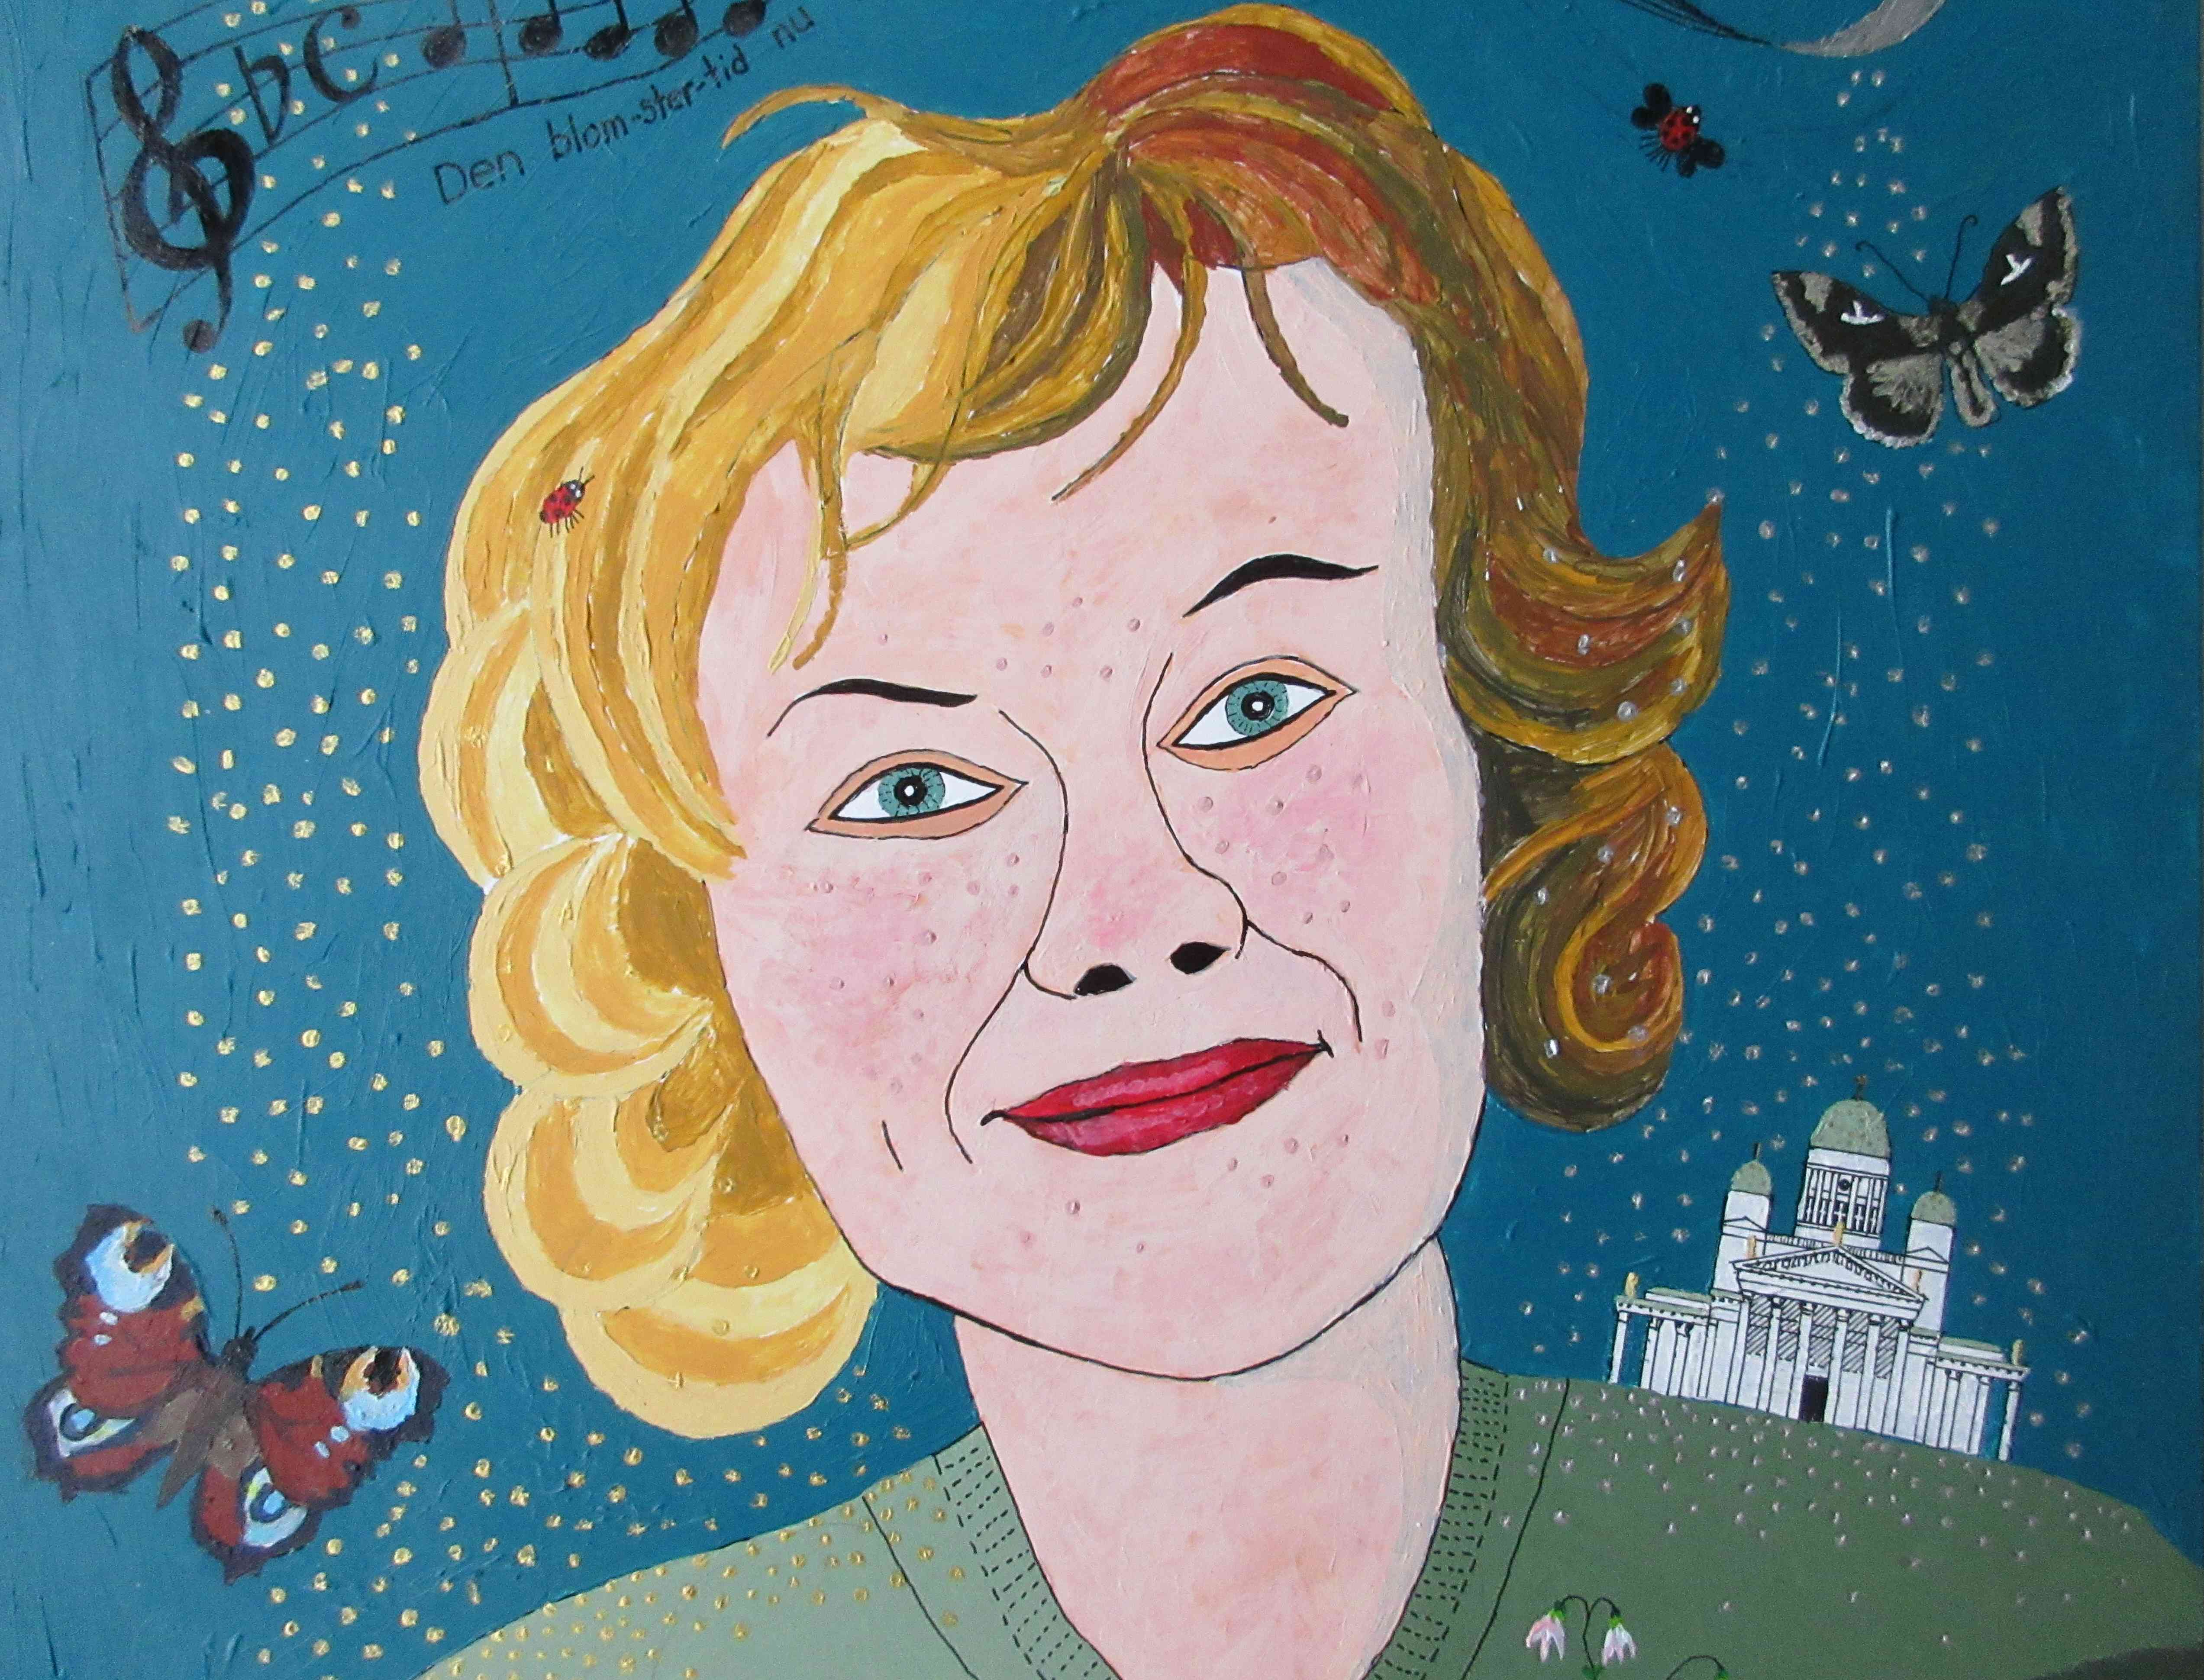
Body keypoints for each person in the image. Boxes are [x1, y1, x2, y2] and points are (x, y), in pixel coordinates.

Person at [417, 9, 2202, 1677]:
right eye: (908, 790)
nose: (1131, 919)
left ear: (1497, 748)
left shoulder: (2030, 1618)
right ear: (694, 942)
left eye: (1257, 701)